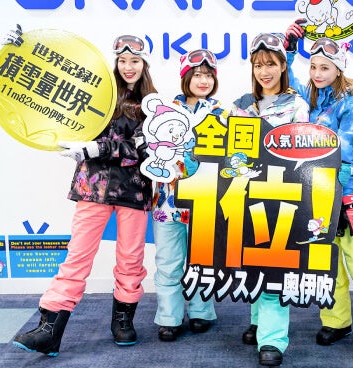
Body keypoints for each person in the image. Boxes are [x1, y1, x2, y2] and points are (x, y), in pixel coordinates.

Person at [12, 34, 156, 356]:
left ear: (144, 64)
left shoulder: (153, 103)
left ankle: (123, 320)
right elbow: (52, 85)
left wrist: (97, 148)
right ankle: (49, 329)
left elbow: (142, 148)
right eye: (122, 60)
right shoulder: (94, 92)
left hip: (134, 190)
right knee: (77, 256)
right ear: (114, 62)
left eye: (135, 60)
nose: (128, 66)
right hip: (93, 186)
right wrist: (19, 49)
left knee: (131, 258)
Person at [283, 23, 353, 353]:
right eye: (314, 67)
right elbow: (290, 83)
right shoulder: (314, 100)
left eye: (325, 68)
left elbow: (349, 156)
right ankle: (336, 321)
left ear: (339, 69)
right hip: (319, 196)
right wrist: (289, 52)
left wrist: (347, 201)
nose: (317, 73)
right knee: (328, 264)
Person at [231, 33, 310, 366]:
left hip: (282, 194)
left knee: (275, 264)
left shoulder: (296, 104)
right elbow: (232, 152)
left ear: (283, 66)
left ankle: (273, 340)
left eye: (271, 64)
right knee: (252, 260)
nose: (265, 72)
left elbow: (304, 153)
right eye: (259, 65)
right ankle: (258, 320)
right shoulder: (240, 104)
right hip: (246, 194)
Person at [152, 49, 223, 341]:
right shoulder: (164, 110)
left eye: (208, 75)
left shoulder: (223, 113)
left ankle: (201, 312)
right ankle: (169, 316)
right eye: (197, 75)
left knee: (202, 261)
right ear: (185, 78)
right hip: (167, 202)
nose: (203, 80)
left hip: (205, 201)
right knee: (168, 261)